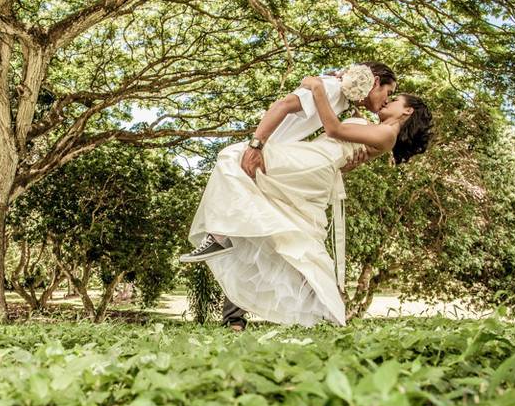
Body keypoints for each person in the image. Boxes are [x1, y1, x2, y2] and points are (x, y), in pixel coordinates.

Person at [180, 64, 431, 328]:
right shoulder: (374, 125)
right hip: (319, 168)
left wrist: (317, 87)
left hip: (317, 161)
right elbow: (350, 147)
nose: (387, 100)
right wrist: (343, 80)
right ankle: (327, 313)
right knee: (297, 235)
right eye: (388, 93)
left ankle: (221, 235)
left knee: (234, 157)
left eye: (393, 98)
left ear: (407, 110)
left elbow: (334, 130)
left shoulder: (387, 133)